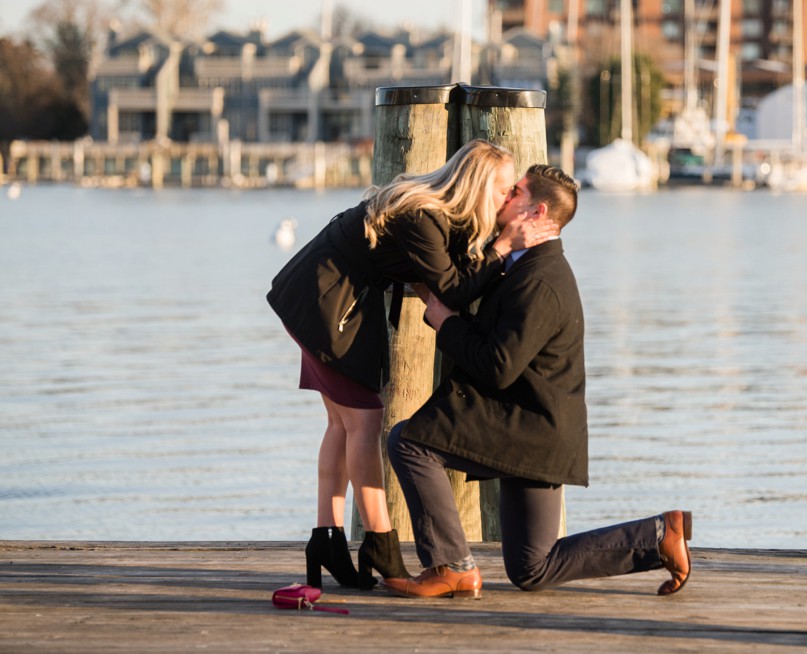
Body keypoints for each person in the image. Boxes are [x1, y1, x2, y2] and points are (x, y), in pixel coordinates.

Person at [384, 164, 693, 599]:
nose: (505, 196)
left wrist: (446, 323)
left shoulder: (541, 280)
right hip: (531, 422)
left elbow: (497, 365)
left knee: (409, 442)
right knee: (532, 568)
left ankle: (452, 567)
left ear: (536, 210)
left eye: (515, 192)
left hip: (531, 427)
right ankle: (658, 536)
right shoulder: (519, 265)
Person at [266, 140, 559, 591]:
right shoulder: (422, 217)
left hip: (321, 292)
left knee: (342, 425)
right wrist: (502, 248)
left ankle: (326, 538)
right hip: (325, 301)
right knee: (365, 421)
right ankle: (380, 542)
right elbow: (455, 291)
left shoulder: (439, 216)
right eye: (504, 190)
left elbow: (450, 278)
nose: (508, 200)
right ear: (479, 186)